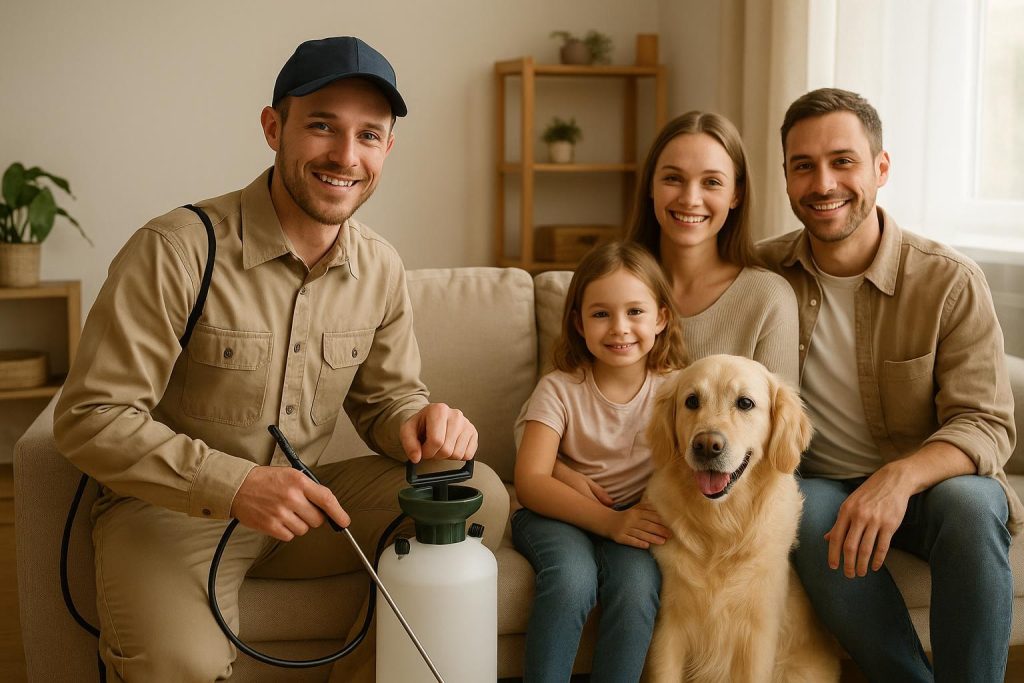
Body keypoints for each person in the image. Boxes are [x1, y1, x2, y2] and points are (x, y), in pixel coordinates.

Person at [52, 36, 508, 682]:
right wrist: (234, 485)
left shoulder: (379, 266)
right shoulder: (176, 250)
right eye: (322, 126)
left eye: (368, 135)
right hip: (171, 514)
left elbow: (387, 401)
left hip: (304, 512)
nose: (345, 156)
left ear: (388, 148)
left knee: (478, 494)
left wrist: (420, 421)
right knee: (181, 664)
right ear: (274, 128)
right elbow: (90, 417)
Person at [759, 87, 1020, 682]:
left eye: (842, 161)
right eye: (804, 166)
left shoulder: (948, 281)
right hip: (822, 481)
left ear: (881, 167)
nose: (823, 183)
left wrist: (897, 479)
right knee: (803, 507)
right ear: (786, 177)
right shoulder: (762, 275)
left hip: (929, 487)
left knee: (975, 503)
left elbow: (986, 421)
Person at [512, 241, 686, 683]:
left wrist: (627, 523)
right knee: (572, 581)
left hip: (632, 521)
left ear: (662, 318)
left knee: (637, 588)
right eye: (601, 313)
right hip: (555, 514)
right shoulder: (560, 388)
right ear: (578, 322)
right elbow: (531, 479)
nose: (619, 328)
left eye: (635, 312)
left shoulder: (676, 392)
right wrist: (608, 523)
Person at [626, 110, 799, 386]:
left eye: (712, 182)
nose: (690, 199)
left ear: (736, 194)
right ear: (650, 185)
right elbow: (554, 401)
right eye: (673, 178)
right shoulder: (608, 284)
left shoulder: (768, 299)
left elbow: (779, 425)